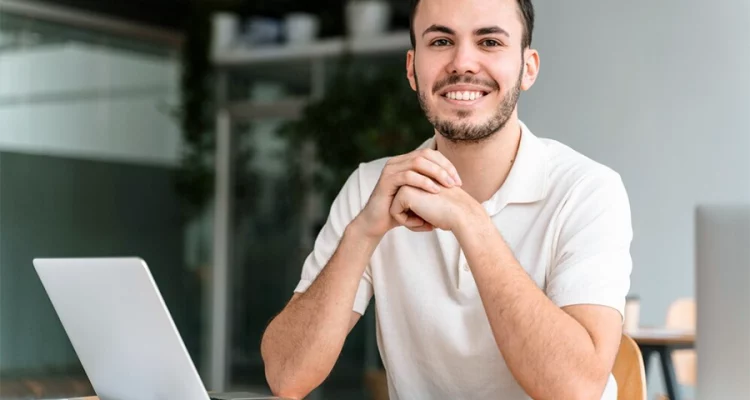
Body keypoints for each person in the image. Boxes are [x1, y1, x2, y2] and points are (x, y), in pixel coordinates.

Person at [260, 0, 632, 398]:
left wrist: (469, 221)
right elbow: (286, 376)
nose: (463, 63)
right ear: (411, 68)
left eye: (489, 41)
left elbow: (577, 390)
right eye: (440, 41)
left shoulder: (588, 191)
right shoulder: (372, 187)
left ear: (528, 68)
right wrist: (362, 233)